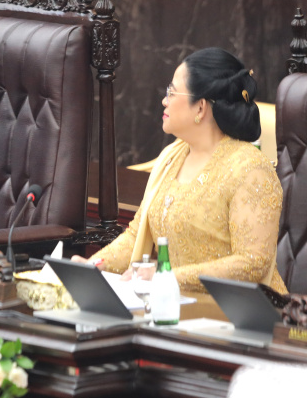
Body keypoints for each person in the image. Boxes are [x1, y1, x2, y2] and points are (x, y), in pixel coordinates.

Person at [75, 47, 287, 293]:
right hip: (177, 307)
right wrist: (93, 267)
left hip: (245, 318)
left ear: (200, 108)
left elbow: (253, 263)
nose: (164, 100)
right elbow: (136, 235)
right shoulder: (171, 157)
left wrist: (165, 277)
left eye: (172, 92)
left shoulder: (250, 169)